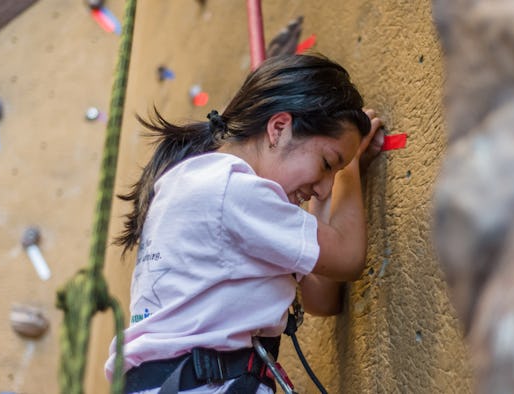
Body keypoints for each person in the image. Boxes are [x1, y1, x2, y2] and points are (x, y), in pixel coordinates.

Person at [105, 54, 384, 394]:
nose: (325, 186)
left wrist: (330, 184)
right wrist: (352, 168)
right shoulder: (231, 190)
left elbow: (321, 298)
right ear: (278, 128)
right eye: (327, 163)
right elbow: (347, 258)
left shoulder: (201, 182)